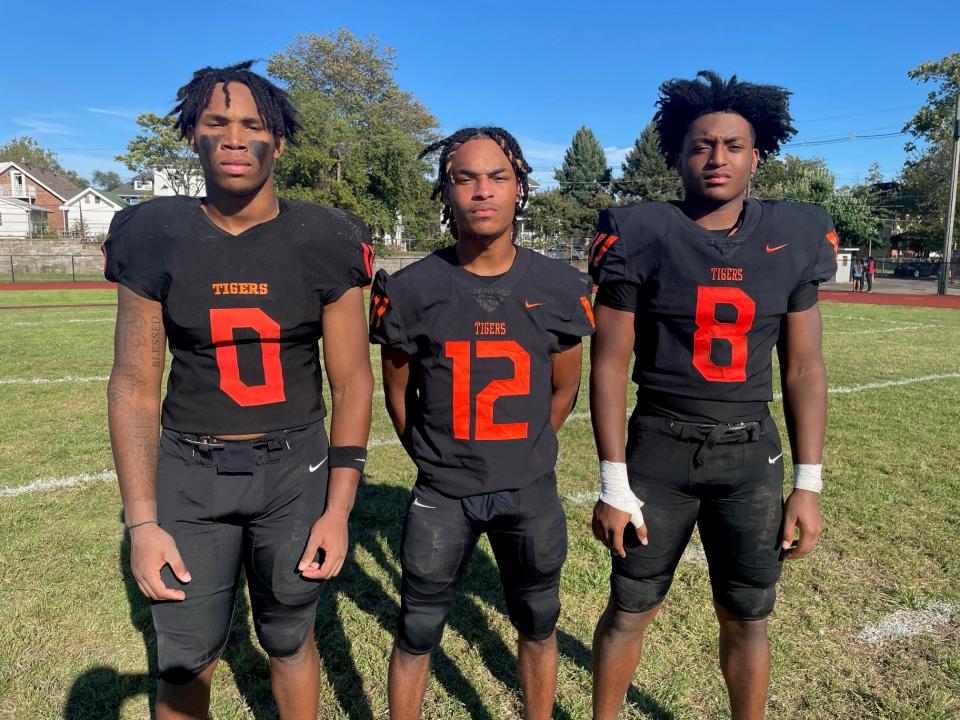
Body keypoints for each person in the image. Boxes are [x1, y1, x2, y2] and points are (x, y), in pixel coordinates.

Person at [105, 61, 374, 719]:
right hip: (190, 471)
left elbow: (352, 378)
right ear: (192, 136)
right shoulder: (155, 232)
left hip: (294, 468)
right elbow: (136, 385)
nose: (234, 138)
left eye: (253, 125)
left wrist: (338, 510)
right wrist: (142, 522)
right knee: (184, 657)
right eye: (216, 123)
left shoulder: (324, 235)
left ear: (277, 143)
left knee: (288, 636)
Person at [588, 71, 837, 720]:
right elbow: (610, 363)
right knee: (631, 607)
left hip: (750, 456)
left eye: (732, 145)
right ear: (677, 153)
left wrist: (807, 482)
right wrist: (614, 481)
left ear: (758, 154)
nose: (717, 157)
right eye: (701, 144)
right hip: (660, 450)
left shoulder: (794, 235)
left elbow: (804, 368)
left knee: (748, 615)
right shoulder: (639, 230)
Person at [369, 127, 595, 720]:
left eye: (497, 176)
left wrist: (521, 451)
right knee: (417, 622)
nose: (482, 191)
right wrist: (438, 458)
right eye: (465, 177)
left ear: (520, 187)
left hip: (529, 485)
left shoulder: (559, 285)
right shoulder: (411, 287)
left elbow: (565, 387)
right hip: (445, 489)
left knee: (539, 617)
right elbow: (399, 394)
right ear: (446, 191)